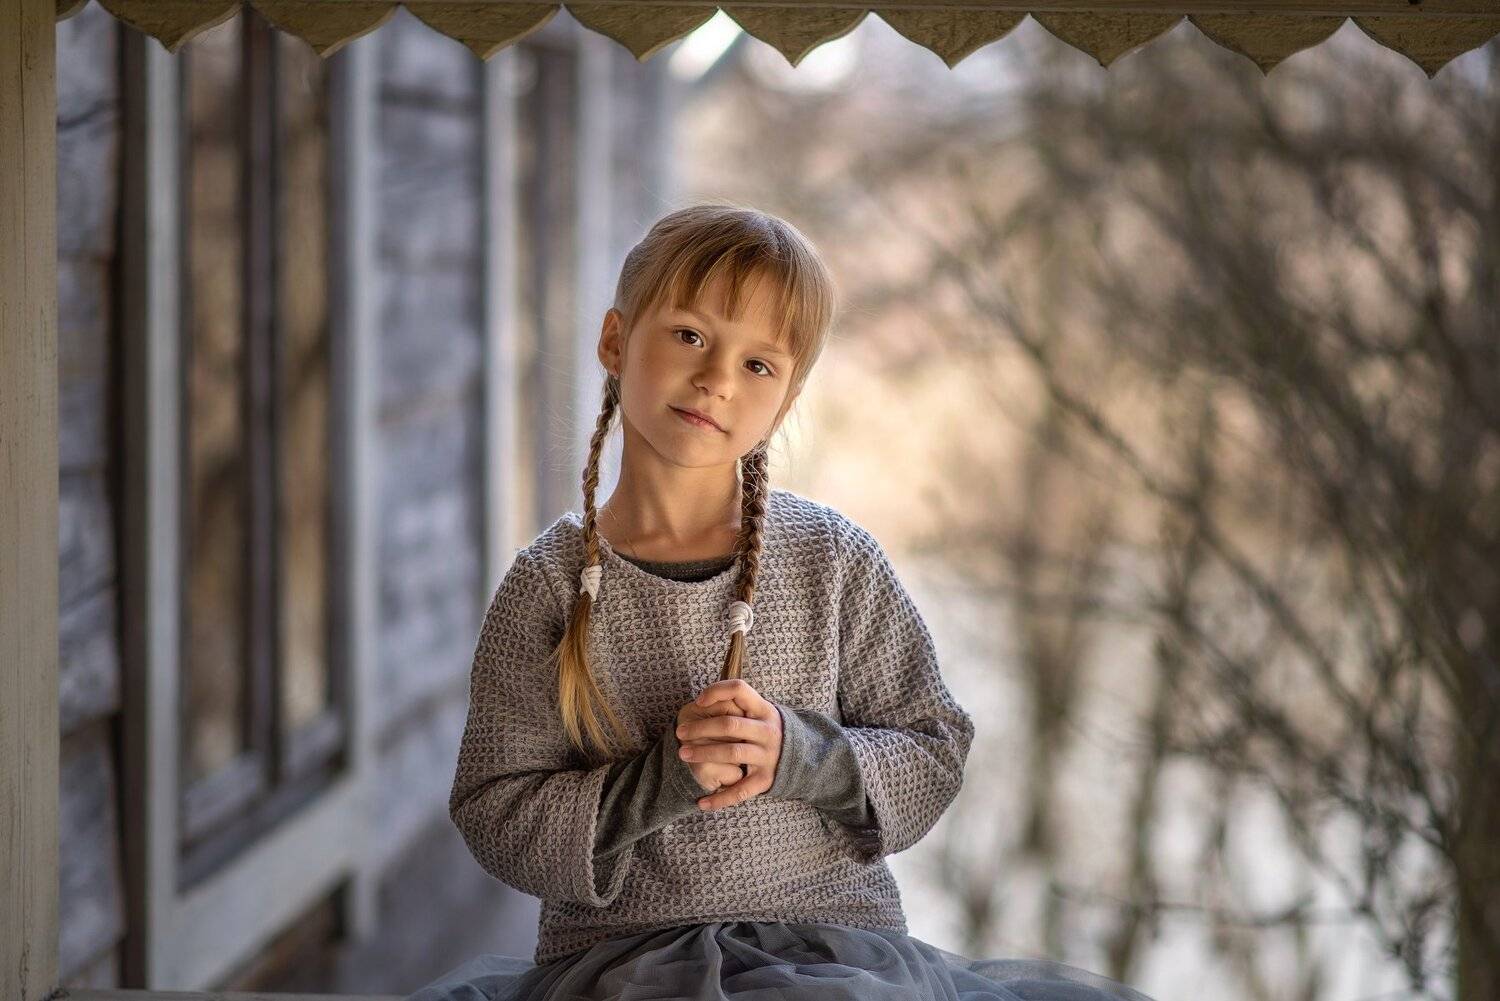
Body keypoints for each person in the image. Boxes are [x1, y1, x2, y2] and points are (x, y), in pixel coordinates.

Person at [407, 204, 1158, 1001]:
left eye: (758, 364)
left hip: (836, 953)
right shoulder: (549, 585)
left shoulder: (833, 559)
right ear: (616, 341)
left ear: (787, 399)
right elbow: (495, 809)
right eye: (689, 335)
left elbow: (934, 747)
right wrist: (660, 781)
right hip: (623, 961)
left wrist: (799, 754)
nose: (717, 379)